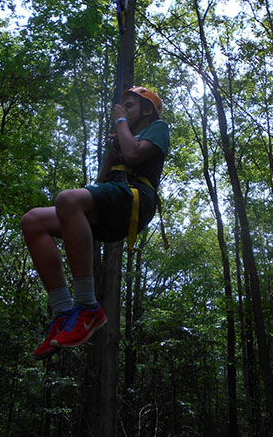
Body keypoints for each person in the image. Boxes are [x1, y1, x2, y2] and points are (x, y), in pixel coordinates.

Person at [21, 86, 170, 359]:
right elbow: (101, 182)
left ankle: (87, 306)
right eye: (122, 106)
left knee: (66, 199)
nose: (123, 110)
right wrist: (113, 150)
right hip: (111, 199)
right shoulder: (123, 138)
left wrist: (120, 122)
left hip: (135, 198)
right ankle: (65, 312)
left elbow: (136, 154)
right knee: (33, 221)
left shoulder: (158, 127)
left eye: (130, 106)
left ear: (147, 110)